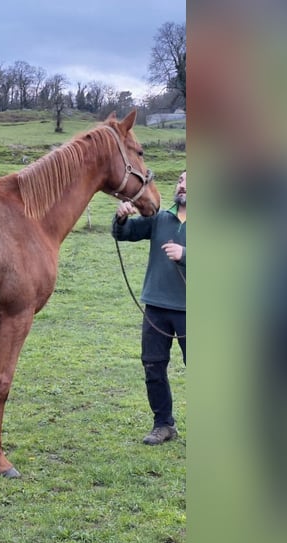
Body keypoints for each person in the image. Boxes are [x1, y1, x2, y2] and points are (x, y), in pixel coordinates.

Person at [112, 171, 186, 445]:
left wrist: (186, 255)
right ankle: (163, 424)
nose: (182, 185)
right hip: (156, 306)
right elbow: (125, 233)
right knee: (153, 366)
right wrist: (120, 218)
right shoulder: (160, 218)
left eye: (189, 181)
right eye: (180, 180)